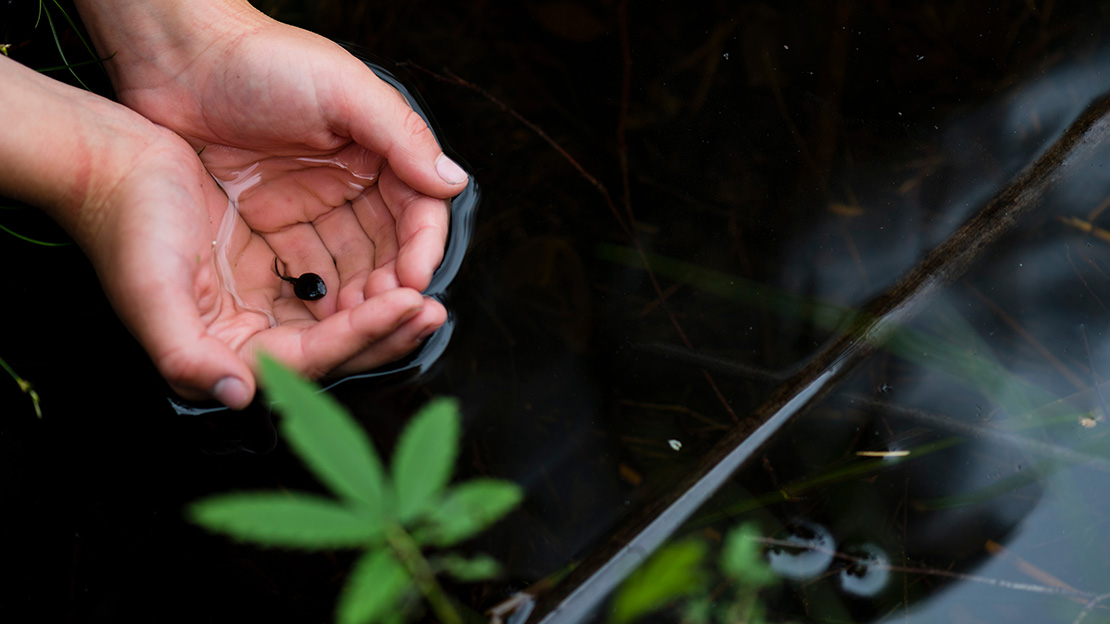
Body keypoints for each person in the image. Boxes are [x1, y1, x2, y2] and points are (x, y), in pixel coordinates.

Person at [0, 1, 464, 409]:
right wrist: (97, 170)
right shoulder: (301, 278)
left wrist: (190, 36)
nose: (315, 292)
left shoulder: (302, 279)